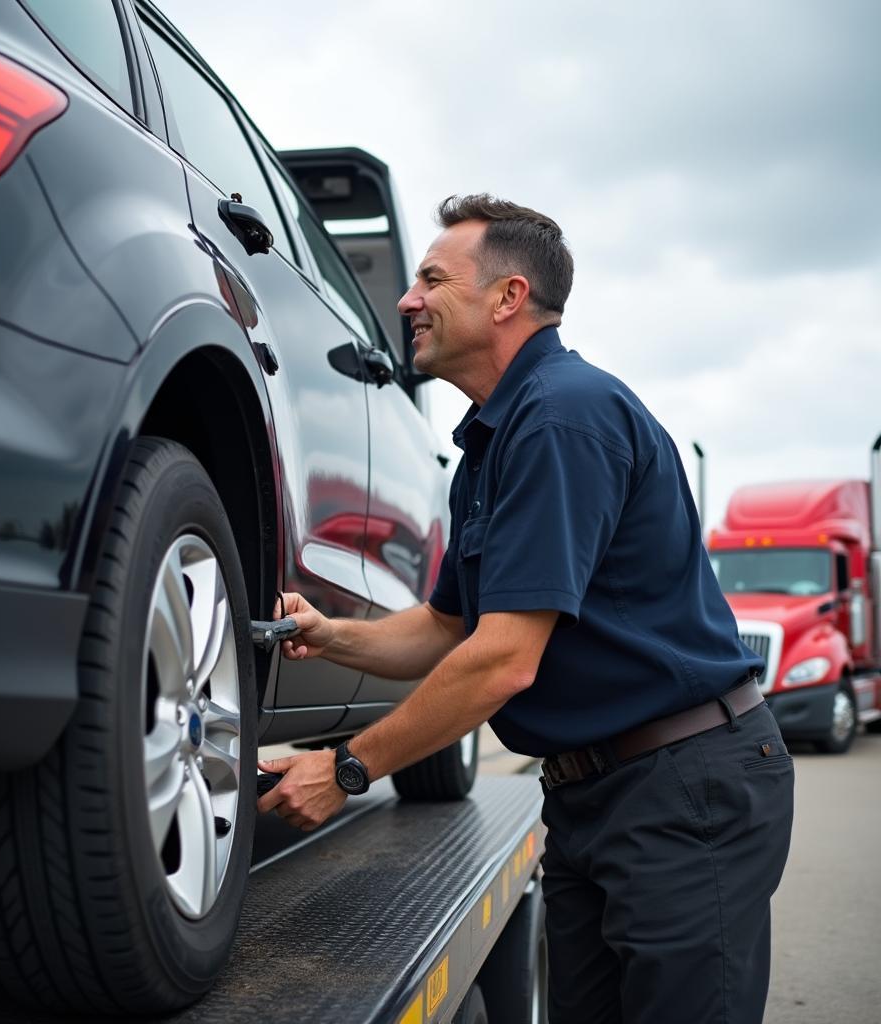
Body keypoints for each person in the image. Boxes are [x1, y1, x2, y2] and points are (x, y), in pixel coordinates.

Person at [257, 195, 794, 1024]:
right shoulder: (490, 443)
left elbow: (505, 657)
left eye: (432, 279)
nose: (405, 300)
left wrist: (348, 767)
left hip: (681, 785)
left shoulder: (562, 417)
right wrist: (334, 638)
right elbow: (445, 628)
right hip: (593, 794)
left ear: (508, 297)